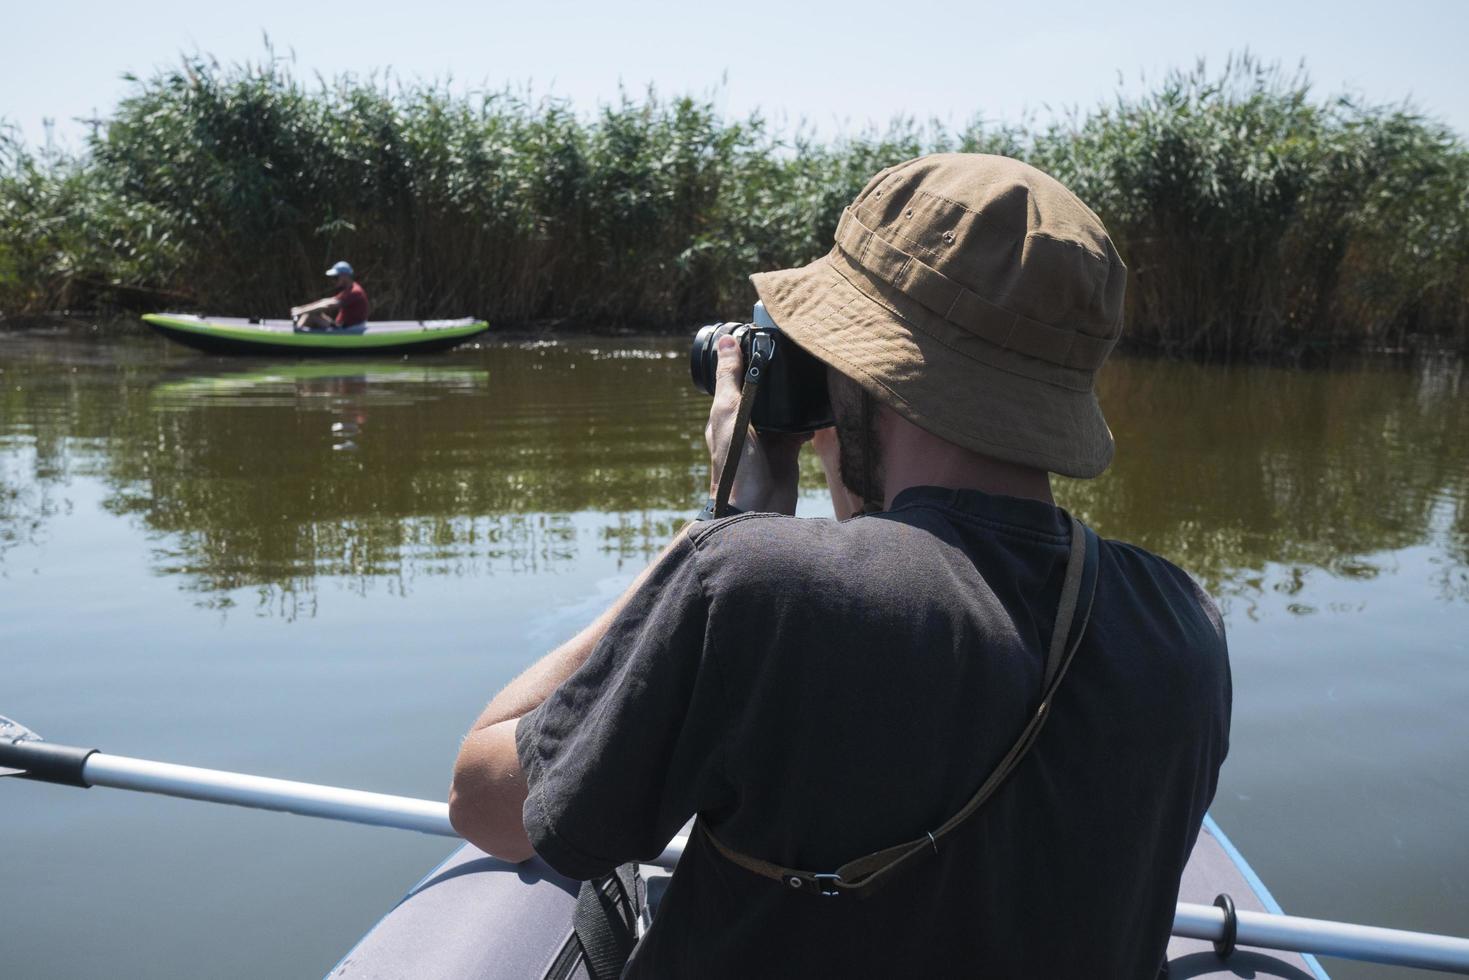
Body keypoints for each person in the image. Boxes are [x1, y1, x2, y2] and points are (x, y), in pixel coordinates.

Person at [448, 154, 1231, 977]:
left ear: (858, 367)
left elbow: (485, 801)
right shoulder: (1180, 623)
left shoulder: (757, 587)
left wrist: (718, 530)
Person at [292, 261, 369, 330]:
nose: (333, 280)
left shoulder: (355, 292)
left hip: (349, 330)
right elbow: (326, 301)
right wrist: (301, 308)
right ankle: (298, 331)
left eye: (335, 277)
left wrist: (300, 311)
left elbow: (328, 306)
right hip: (341, 327)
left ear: (345, 276)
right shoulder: (349, 289)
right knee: (312, 313)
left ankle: (296, 335)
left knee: (311, 315)